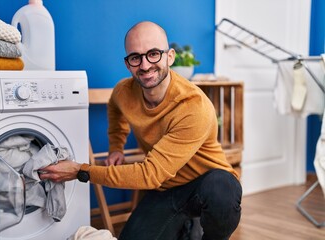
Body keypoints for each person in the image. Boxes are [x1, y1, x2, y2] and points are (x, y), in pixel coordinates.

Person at [39, 21, 242, 240]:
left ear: (170, 56)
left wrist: (80, 170)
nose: (145, 65)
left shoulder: (193, 106)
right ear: (128, 64)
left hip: (204, 186)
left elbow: (149, 174)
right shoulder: (123, 92)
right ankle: (186, 229)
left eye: (153, 54)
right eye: (135, 57)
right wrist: (116, 147)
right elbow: (115, 108)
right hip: (164, 190)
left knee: (222, 188)